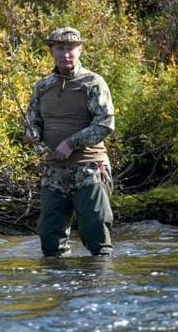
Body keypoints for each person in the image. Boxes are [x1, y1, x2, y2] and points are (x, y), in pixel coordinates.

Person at [24, 27, 115, 257]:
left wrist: (70, 144)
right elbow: (33, 120)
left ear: (80, 50)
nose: (65, 54)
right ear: (52, 51)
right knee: (50, 237)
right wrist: (32, 133)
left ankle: (98, 288)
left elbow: (104, 124)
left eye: (70, 49)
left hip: (90, 168)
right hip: (53, 170)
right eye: (60, 48)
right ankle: (60, 286)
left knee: (96, 233)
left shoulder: (93, 83)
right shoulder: (42, 87)